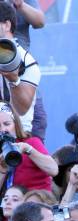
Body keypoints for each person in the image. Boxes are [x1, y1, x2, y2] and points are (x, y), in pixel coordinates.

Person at [0, 2, 41, 133]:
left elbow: (22, 111)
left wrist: (14, 81)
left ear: (6, 25)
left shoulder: (26, 61)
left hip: (18, 137)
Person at [0, 102, 57, 193]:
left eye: (7, 124)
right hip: (11, 205)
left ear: (16, 124)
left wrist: (29, 150)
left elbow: (54, 170)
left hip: (36, 203)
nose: (3, 130)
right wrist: (2, 170)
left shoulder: (30, 142)